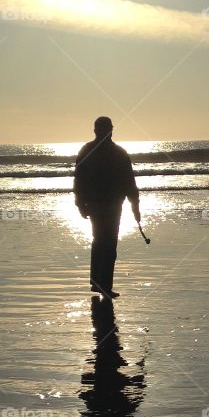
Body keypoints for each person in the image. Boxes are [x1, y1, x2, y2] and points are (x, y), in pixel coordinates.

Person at [73, 116, 140, 299]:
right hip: (107, 204)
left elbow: (79, 179)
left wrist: (80, 203)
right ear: (110, 130)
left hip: (101, 203)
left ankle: (98, 283)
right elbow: (129, 181)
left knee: (100, 241)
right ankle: (103, 286)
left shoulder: (90, 150)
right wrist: (135, 205)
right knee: (108, 243)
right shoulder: (117, 152)